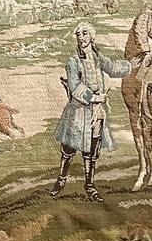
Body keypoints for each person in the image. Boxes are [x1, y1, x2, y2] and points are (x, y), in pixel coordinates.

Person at [51, 23, 132, 203]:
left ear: (91, 36)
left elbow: (112, 68)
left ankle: (89, 185)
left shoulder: (97, 57)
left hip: (97, 112)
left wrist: (132, 65)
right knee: (69, 148)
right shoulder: (73, 61)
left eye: (84, 33)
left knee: (92, 149)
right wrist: (94, 98)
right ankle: (61, 180)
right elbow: (74, 86)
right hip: (78, 111)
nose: (81, 37)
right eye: (78, 34)